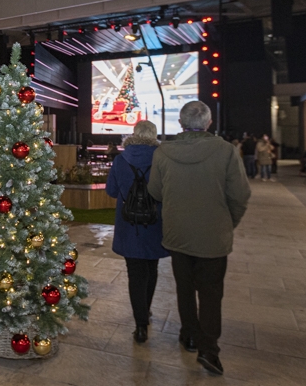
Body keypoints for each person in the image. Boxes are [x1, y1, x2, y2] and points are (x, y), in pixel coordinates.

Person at [148, 101, 251, 376]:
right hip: (213, 238)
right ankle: (209, 349)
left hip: (177, 235)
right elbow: (240, 196)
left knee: (184, 288)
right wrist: (227, 224)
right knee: (211, 293)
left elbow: (155, 192)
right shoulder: (226, 151)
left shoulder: (163, 152)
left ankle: (190, 336)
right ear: (208, 124)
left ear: (180, 124)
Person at [105, 121, 167, 343]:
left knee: (135, 274)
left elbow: (112, 191)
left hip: (129, 227)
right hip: (155, 225)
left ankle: (140, 325)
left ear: (133, 134)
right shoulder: (161, 159)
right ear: (154, 135)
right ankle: (146, 312)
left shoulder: (121, 159)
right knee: (152, 269)